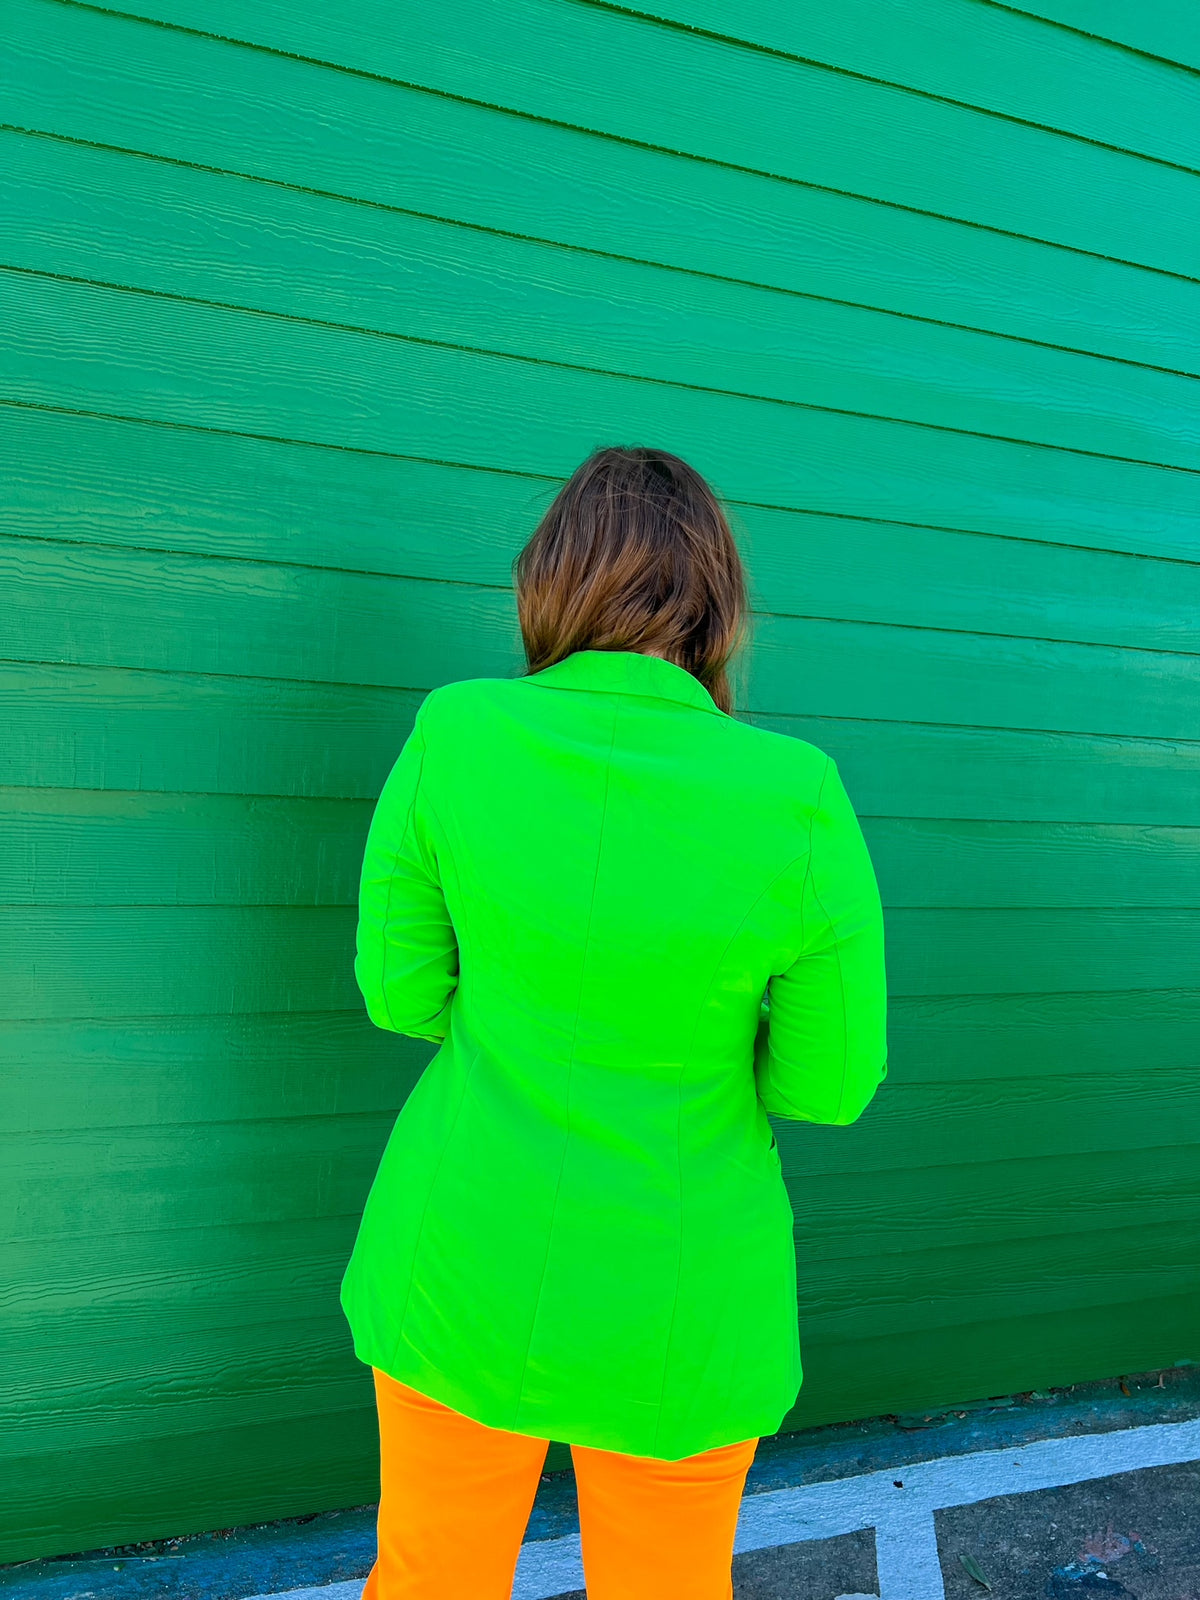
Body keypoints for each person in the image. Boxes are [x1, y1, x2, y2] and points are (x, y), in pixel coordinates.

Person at [341, 445, 889, 1599]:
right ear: (718, 605)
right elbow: (827, 1083)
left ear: (550, 579)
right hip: (680, 1294)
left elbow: (399, 993)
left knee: (432, 1580)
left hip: (464, 1259)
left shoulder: (455, 733)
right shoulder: (799, 793)